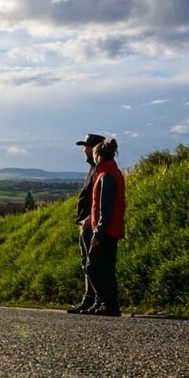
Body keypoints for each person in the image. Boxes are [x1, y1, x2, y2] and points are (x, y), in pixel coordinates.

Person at [85, 138, 125, 316]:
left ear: (99, 156)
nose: (93, 158)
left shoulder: (106, 176)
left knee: (92, 267)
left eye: (94, 154)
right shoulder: (113, 172)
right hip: (113, 229)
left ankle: (106, 302)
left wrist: (98, 233)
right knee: (107, 269)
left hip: (105, 230)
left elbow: (105, 208)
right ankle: (110, 304)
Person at [67, 133, 105, 314]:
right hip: (86, 223)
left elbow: (99, 199)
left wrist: (90, 218)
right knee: (86, 263)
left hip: (91, 224)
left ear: (95, 148)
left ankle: (96, 299)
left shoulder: (99, 170)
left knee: (92, 264)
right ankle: (90, 299)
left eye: (87, 146)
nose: (84, 150)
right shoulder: (93, 168)